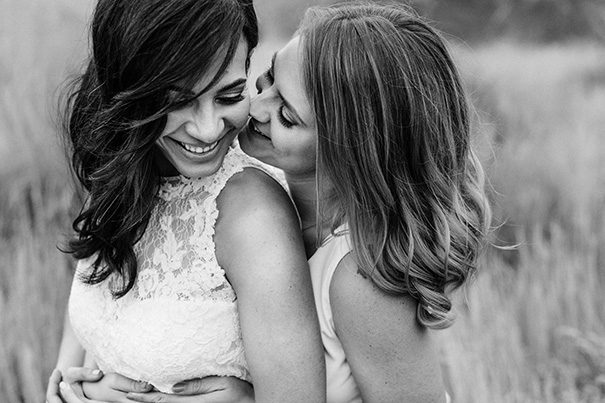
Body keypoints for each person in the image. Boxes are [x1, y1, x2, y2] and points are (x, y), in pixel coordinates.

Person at [45, 0, 325, 402]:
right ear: (129, 90)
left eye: (230, 95)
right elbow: (79, 344)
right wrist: (69, 390)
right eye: (177, 102)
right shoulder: (119, 171)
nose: (208, 129)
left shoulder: (253, 215)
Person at [238, 3, 491, 402]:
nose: (255, 107)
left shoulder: (359, 281)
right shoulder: (257, 197)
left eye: (286, 115)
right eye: (268, 77)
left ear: (350, 151)